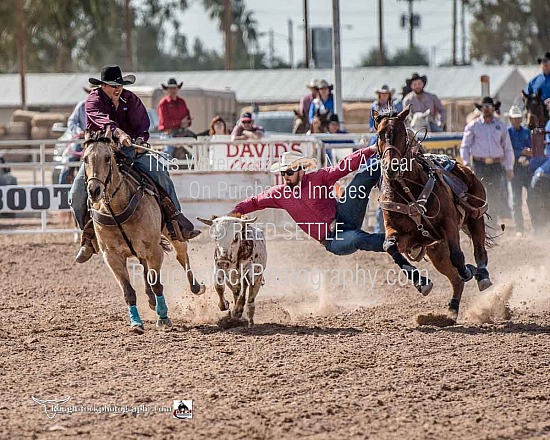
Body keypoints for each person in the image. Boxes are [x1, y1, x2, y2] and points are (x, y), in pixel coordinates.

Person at [227, 149, 433, 294]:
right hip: (332, 240)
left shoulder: (318, 178)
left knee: (364, 176)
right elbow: (255, 201)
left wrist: (371, 150)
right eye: (283, 173)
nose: (285, 177)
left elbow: (344, 166)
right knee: (358, 239)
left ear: (301, 170)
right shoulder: (279, 194)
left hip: (344, 215)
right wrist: (236, 212)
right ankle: (405, 243)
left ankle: (411, 168)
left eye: (289, 172)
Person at [69, 65, 200, 263]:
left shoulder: (130, 99)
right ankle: (88, 236)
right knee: (76, 194)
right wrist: (119, 133)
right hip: (100, 152)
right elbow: (101, 120)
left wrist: (139, 140)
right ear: (103, 85)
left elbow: (142, 125)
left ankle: (176, 221)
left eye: (119, 84)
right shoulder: (93, 100)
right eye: (113, 85)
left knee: (160, 172)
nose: (117, 88)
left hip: (129, 151)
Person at [460, 97, 514, 226]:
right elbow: (465, 146)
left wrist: (509, 167)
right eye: (484, 106)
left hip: (496, 164)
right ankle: (480, 222)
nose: (486, 109)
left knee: (495, 193)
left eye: (489, 106)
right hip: (480, 164)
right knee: (480, 193)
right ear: (481, 109)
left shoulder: (501, 126)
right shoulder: (473, 126)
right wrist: (466, 164)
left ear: (494, 108)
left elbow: (507, 148)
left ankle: (492, 221)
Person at [506, 105, 534, 236]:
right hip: (515, 168)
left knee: (532, 198)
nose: (517, 120)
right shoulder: (507, 133)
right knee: (517, 200)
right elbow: (507, 150)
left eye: (518, 118)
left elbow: (532, 146)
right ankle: (519, 229)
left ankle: (535, 225)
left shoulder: (526, 131)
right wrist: (520, 153)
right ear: (511, 119)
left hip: (527, 168)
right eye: (515, 118)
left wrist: (529, 153)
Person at [59, 85, 93, 184]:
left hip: (96, 140)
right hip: (82, 140)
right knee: (69, 161)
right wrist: (79, 132)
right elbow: (71, 122)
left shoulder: (104, 106)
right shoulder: (82, 106)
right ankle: (62, 188)